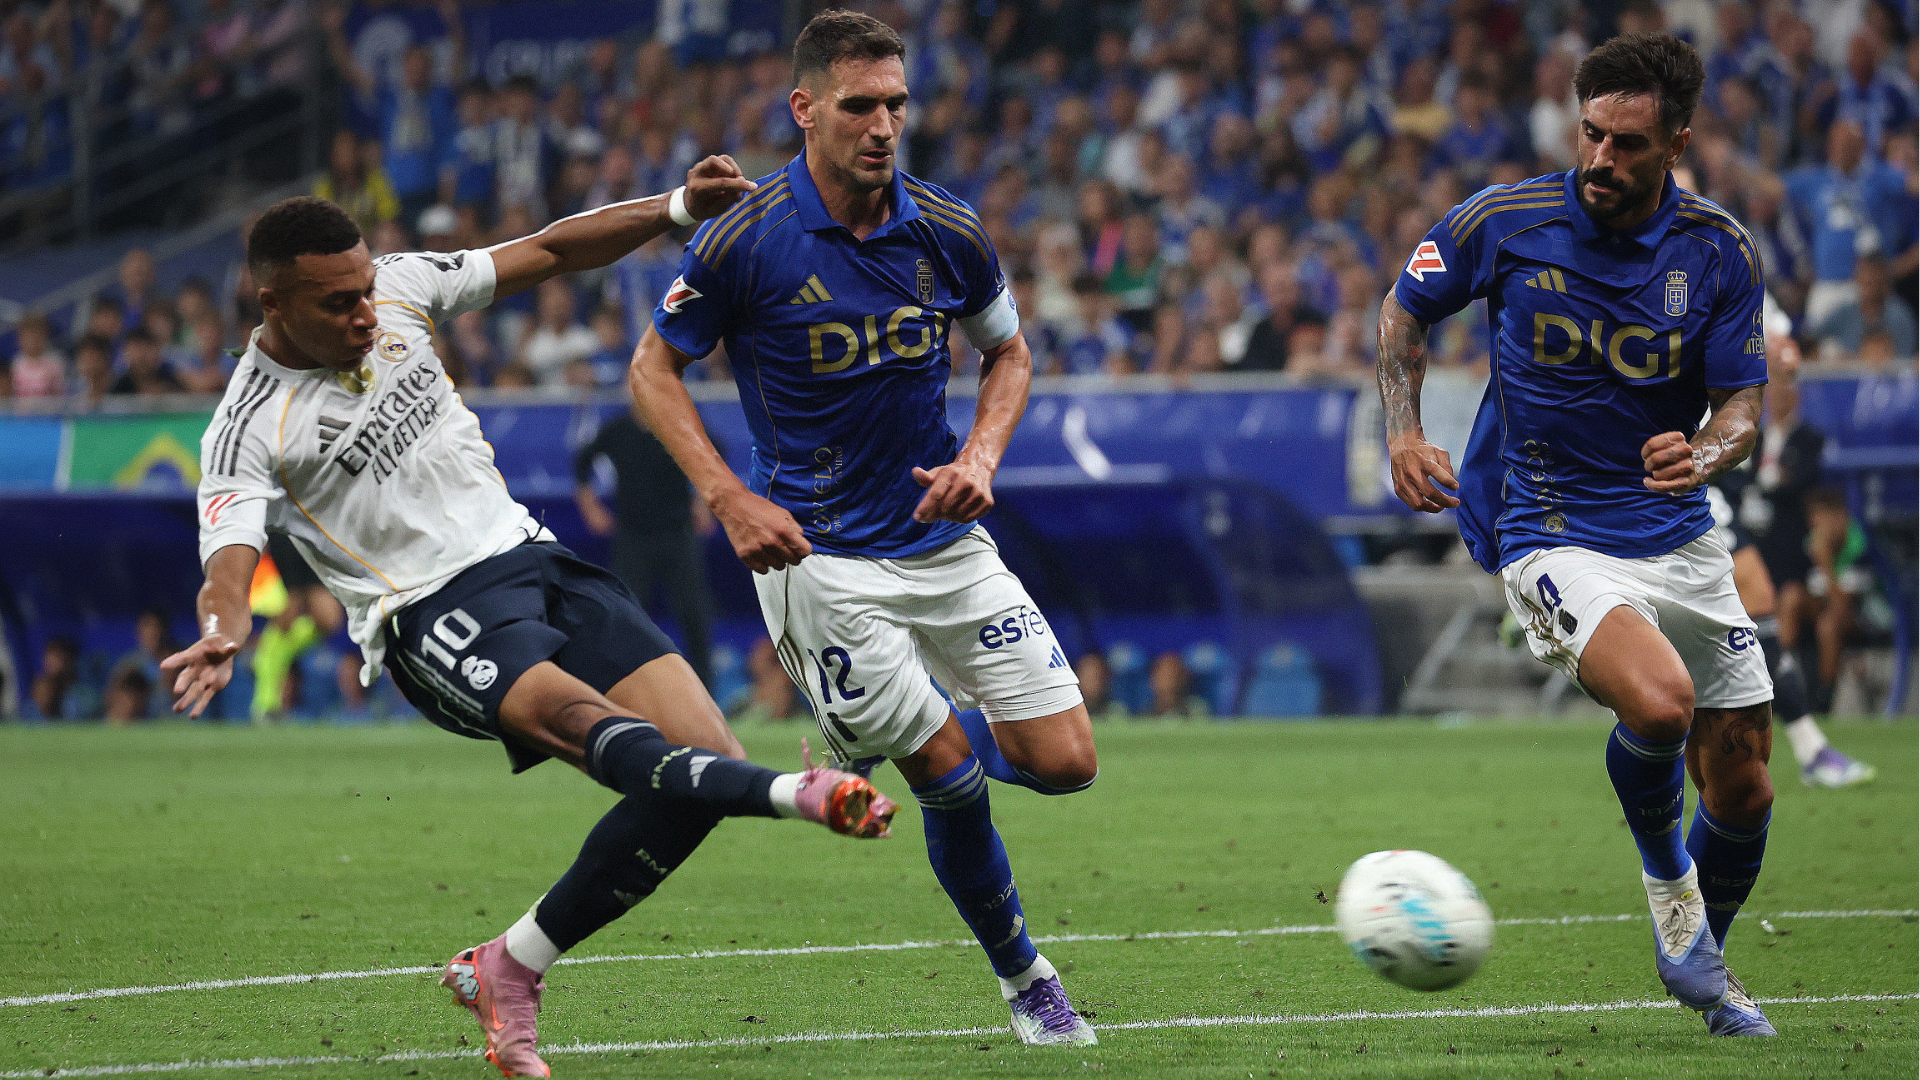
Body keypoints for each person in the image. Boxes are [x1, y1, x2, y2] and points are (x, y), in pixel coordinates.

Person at [162, 180, 897, 1078]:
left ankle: (511, 963)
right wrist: (221, 628)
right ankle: (799, 794)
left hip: (532, 559)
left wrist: (673, 208)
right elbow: (228, 562)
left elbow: (547, 251)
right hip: (429, 613)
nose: (365, 311)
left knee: (701, 760)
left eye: (364, 289)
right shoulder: (247, 425)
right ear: (271, 303)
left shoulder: (398, 284)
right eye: (338, 301)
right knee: (600, 733)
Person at [630, 10, 1099, 1048]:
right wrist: (730, 496)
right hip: (817, 556)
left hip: (937, 533)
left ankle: (861, 732)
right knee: (952, 778)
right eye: (859, 106)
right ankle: (1028, 981)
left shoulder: (945, 225)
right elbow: (652, 370)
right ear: (804, 110)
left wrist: (980, 458)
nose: (883, 125)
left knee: (1067, 761)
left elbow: (1009, 355)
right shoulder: (746, 238)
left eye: (895, 103)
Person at [1378, 33, 1777, 1037]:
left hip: (1679, 533)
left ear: (1676, 144)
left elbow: (1743, 407)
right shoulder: (1506, 220)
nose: (1601, 159)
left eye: (1628, 144)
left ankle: (1703, 958)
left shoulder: (1720, 251)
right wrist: (1404, 432)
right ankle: (1670, 892)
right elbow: (1404, 313)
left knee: (1745, 780)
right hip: (1551, 528)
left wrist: (1708, 453)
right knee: (1662, 706)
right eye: (1590, 133)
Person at [573, 407, 718, 687]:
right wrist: (590, 507)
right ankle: (629, 688)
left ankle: (707, 693)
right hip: (633, 536)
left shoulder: (678, 423)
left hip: (678, 533)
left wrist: (703, 502)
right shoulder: (617, 431)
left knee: (694, 614)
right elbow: (581, 463)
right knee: (627, 615)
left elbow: (714, 455)